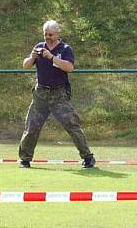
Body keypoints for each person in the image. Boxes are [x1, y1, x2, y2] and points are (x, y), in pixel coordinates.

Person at [18, 19, 95, 169]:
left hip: (58, 94)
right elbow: (25, 65)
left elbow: (69, 67)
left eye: (51, 34)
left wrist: (52, 57)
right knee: (32, 126)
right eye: (45, 34)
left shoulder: (65, 49)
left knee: (72, 125)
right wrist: (33, 57)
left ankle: (88, 157)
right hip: (41, 93)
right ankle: (24, 158)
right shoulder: (39, 47)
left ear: (58, 34)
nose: (47, 37)